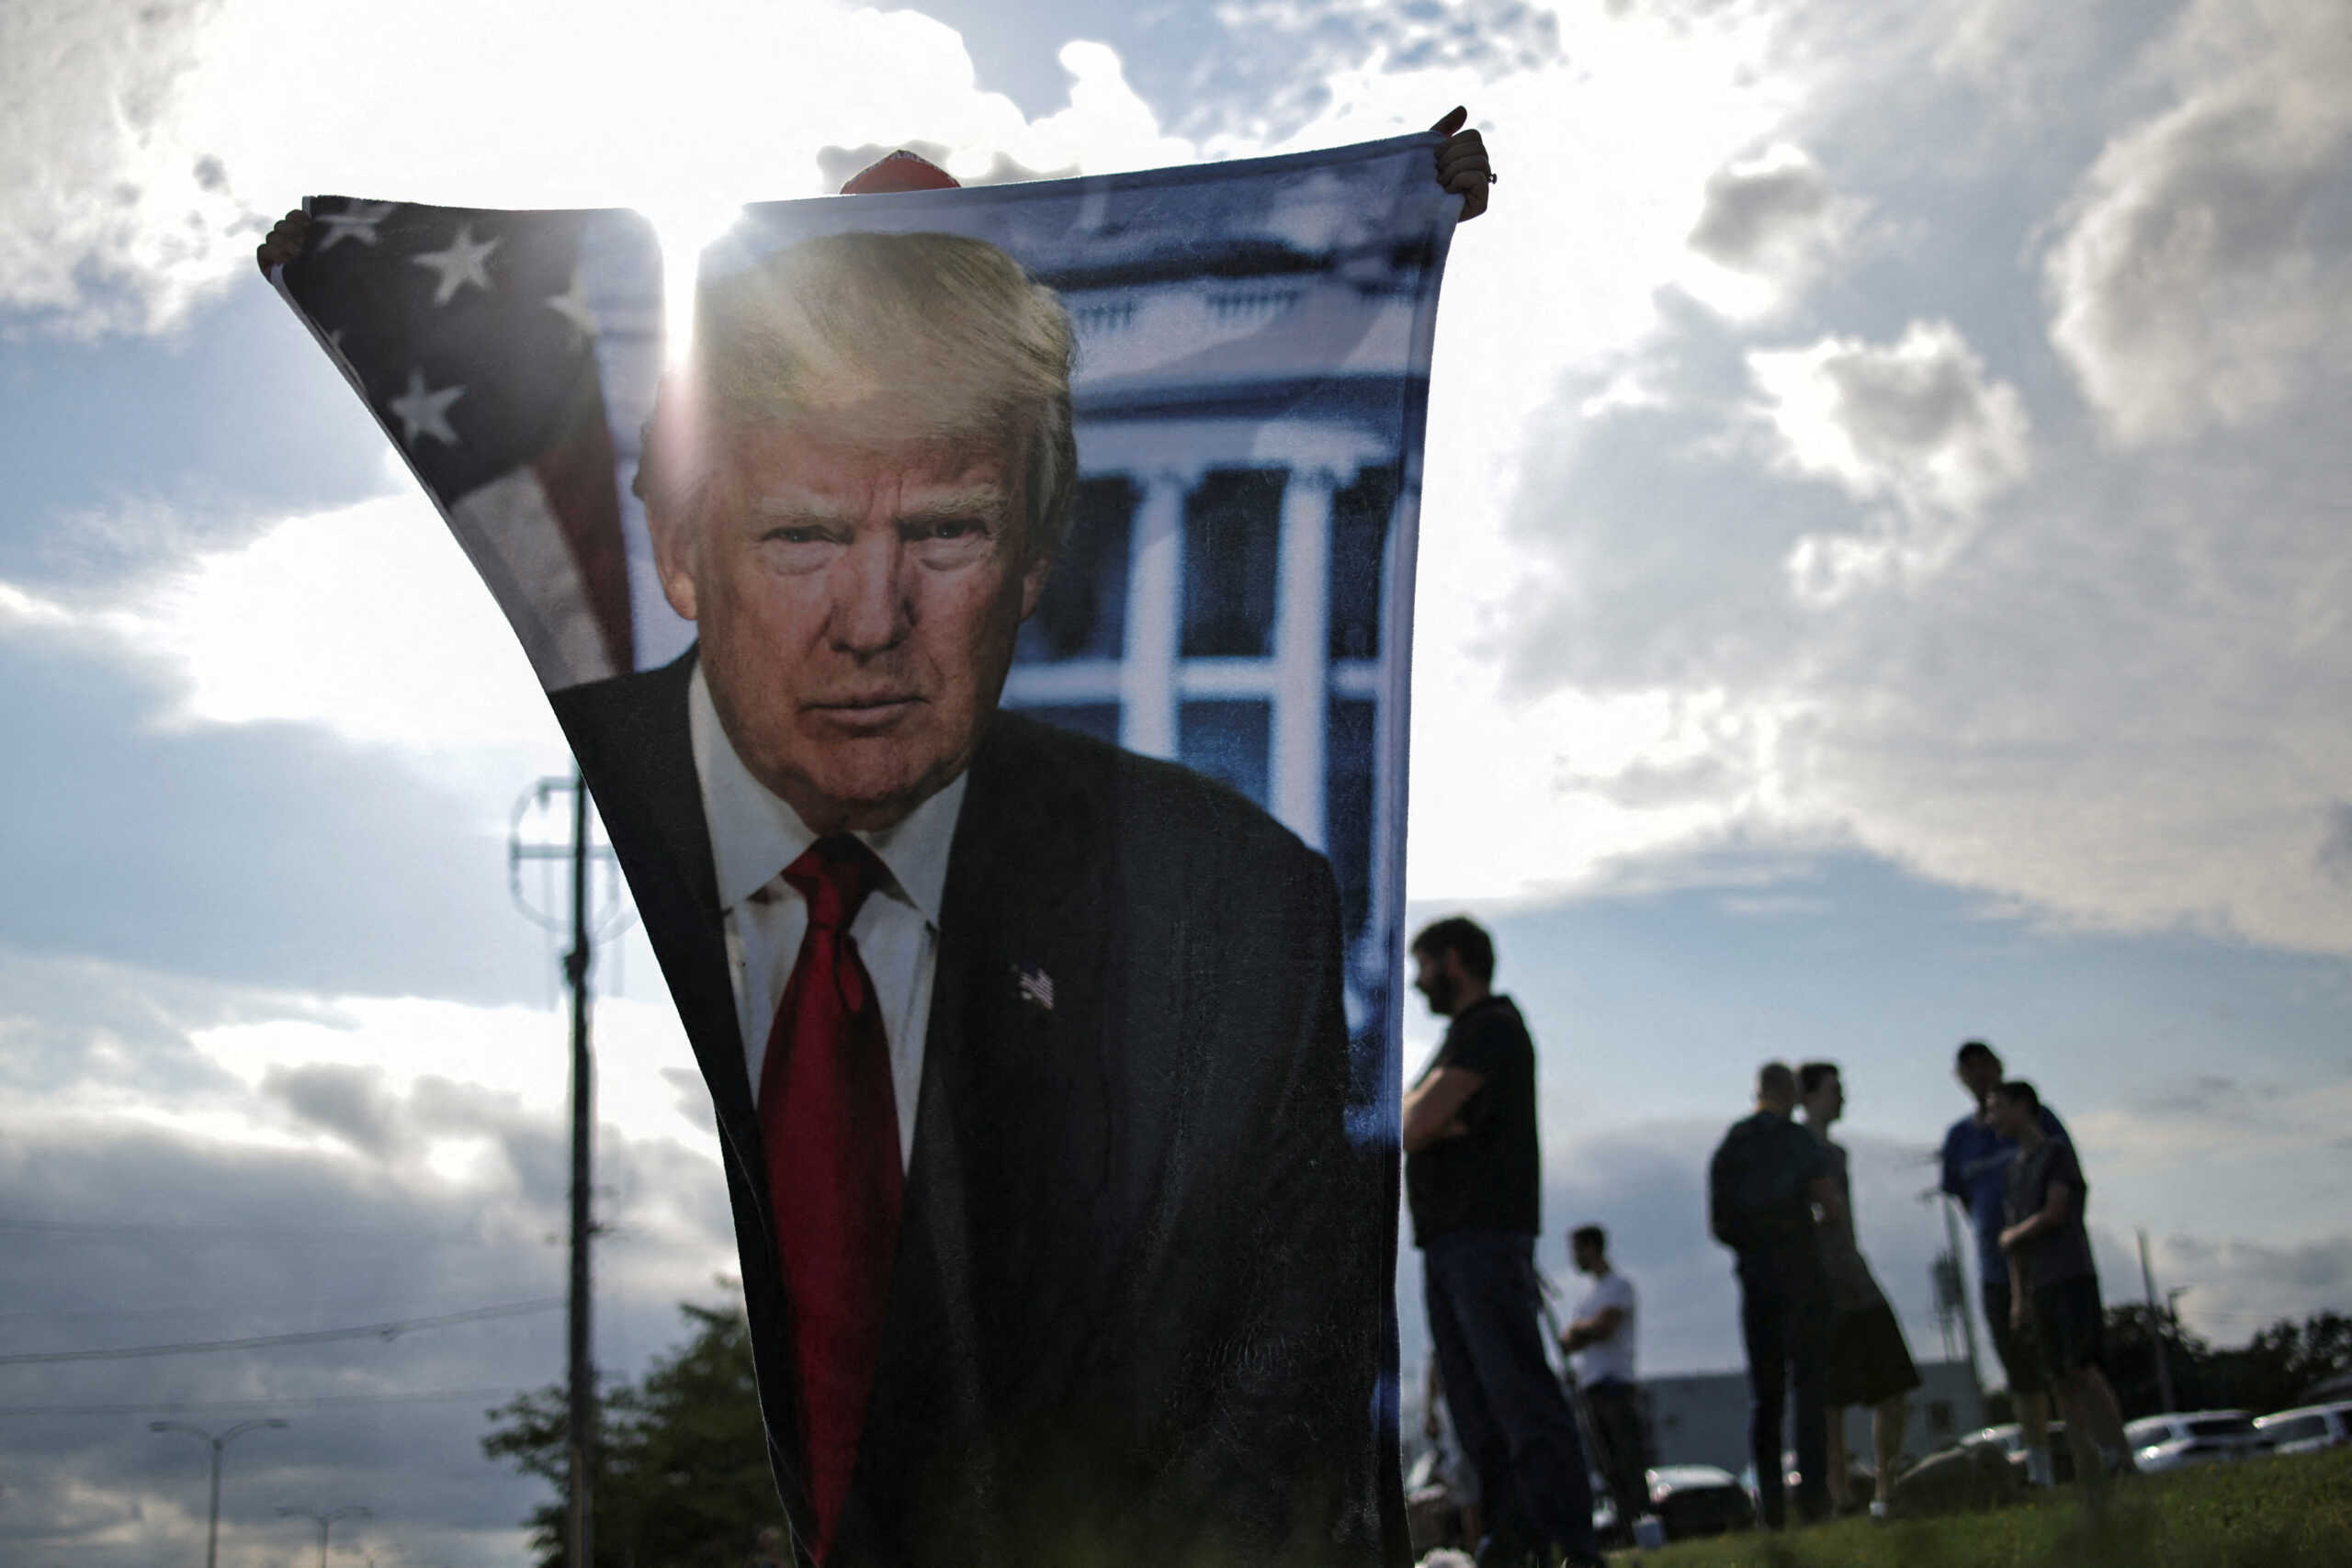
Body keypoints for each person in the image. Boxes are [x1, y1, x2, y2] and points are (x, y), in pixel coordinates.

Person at [253, 118, 1496, 1568]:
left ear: (1035, 555)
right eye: (798, 537)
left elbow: (1276, 1372)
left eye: (949, 534)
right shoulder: (657, 774)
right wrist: (358, 278)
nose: (869, 617)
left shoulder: (1227, 904)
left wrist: (1412, 208)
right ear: (679, 551)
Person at [1404, 916, 1605, 1568]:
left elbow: (1410, 1122)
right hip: (1449, 1242)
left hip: (1484, 1238)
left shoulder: (1492, 1028)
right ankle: (1512, 1542)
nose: (1417, 981)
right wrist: (1433, 1118)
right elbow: (1421, 1119)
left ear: (1454, 961)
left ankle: (1572, 1543)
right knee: (1476, 1406)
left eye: (1425, 965)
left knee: (1519, 1394)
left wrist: (1433, 1117)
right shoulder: (1461, 1038)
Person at [1708, 1061, 1839, 1529]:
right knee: (1809, 1387)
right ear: (1790, 1094)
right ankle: (1814, 1499)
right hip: (1801, 1272)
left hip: (1756, 1277)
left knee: (1765, 1396)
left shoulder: (1733, 1145)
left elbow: (1718, 1224)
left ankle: (1771, 1507)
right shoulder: (1798, 1140)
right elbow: (1830, 1202)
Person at [1991, 1079, 2137, 1491]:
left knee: (2084, 1368)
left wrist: (2012, 1236)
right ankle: (2089, 1464)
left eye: (1998, 1107)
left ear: (2023, 1107)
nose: (1992, 1118)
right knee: (2059, 1378)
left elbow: (2055, 1211)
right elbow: (2014, 1247)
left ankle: (2119, 1455)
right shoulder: (2013, 1172)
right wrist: (2018, 1298)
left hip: (2070, 1275)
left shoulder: (2055, 1154)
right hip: (2038, 1286)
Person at [1940, 1039, 2069, 1487]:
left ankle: (2090, 1453)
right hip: (1996, 1269)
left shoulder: (2037, 1118)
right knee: (2022, 1373)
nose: (1978, 1075)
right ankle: (2040, 1468)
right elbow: (1962, 1197)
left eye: (1984, 1065)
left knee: (2067, 1366)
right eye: (1968, 1068)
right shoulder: (1960, 1139)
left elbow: (2064, 1175)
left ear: (1999, 1067)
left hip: (2049, 1263)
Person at [1796, 1062, 1921, 1518]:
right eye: (1834, 1090)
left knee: (1894, 1385)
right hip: (1822, 1288)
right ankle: (1841, 1498)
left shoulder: (1838, 1153)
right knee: (1830, 1399)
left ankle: (1886, 1488)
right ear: (1807, 1096)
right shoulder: (1794, 1149)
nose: (1843, 1097)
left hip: (1856, 1276)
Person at [1559, 1224, 1646, 1535]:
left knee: (1628, 1458)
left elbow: (1603, 1328)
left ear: (1592, 1249)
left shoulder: (1618, 1286)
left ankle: (1641, 1522)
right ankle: (1625, 1525)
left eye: (1577, 1251)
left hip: (1616, 1384)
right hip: (1592, 1387)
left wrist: (1582, 1331)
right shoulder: (1588, 1299)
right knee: (1607, 1464)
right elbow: (1571, 1341)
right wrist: (1584, 1331)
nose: (1574, 1258)